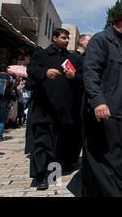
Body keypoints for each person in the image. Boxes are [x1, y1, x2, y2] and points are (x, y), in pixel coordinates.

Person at [76, 5, 122, 197]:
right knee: (106, 158)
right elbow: (90, 73)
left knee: (117, 155)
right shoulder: (101, 40)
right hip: (105, 111)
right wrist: (98, 101)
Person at [27, 28, 84, 190]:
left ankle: (52, 176)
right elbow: (31, 70)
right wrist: (45, 72)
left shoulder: (74, 59)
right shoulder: (41, 56)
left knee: (58, 146)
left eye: (68, 38)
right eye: (63, 38)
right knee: (42, 144)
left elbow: (83, 78)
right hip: (44, 109)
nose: (66, 41)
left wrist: (74, 77)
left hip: (65, 111)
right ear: (54, 38)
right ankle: (41, 177)